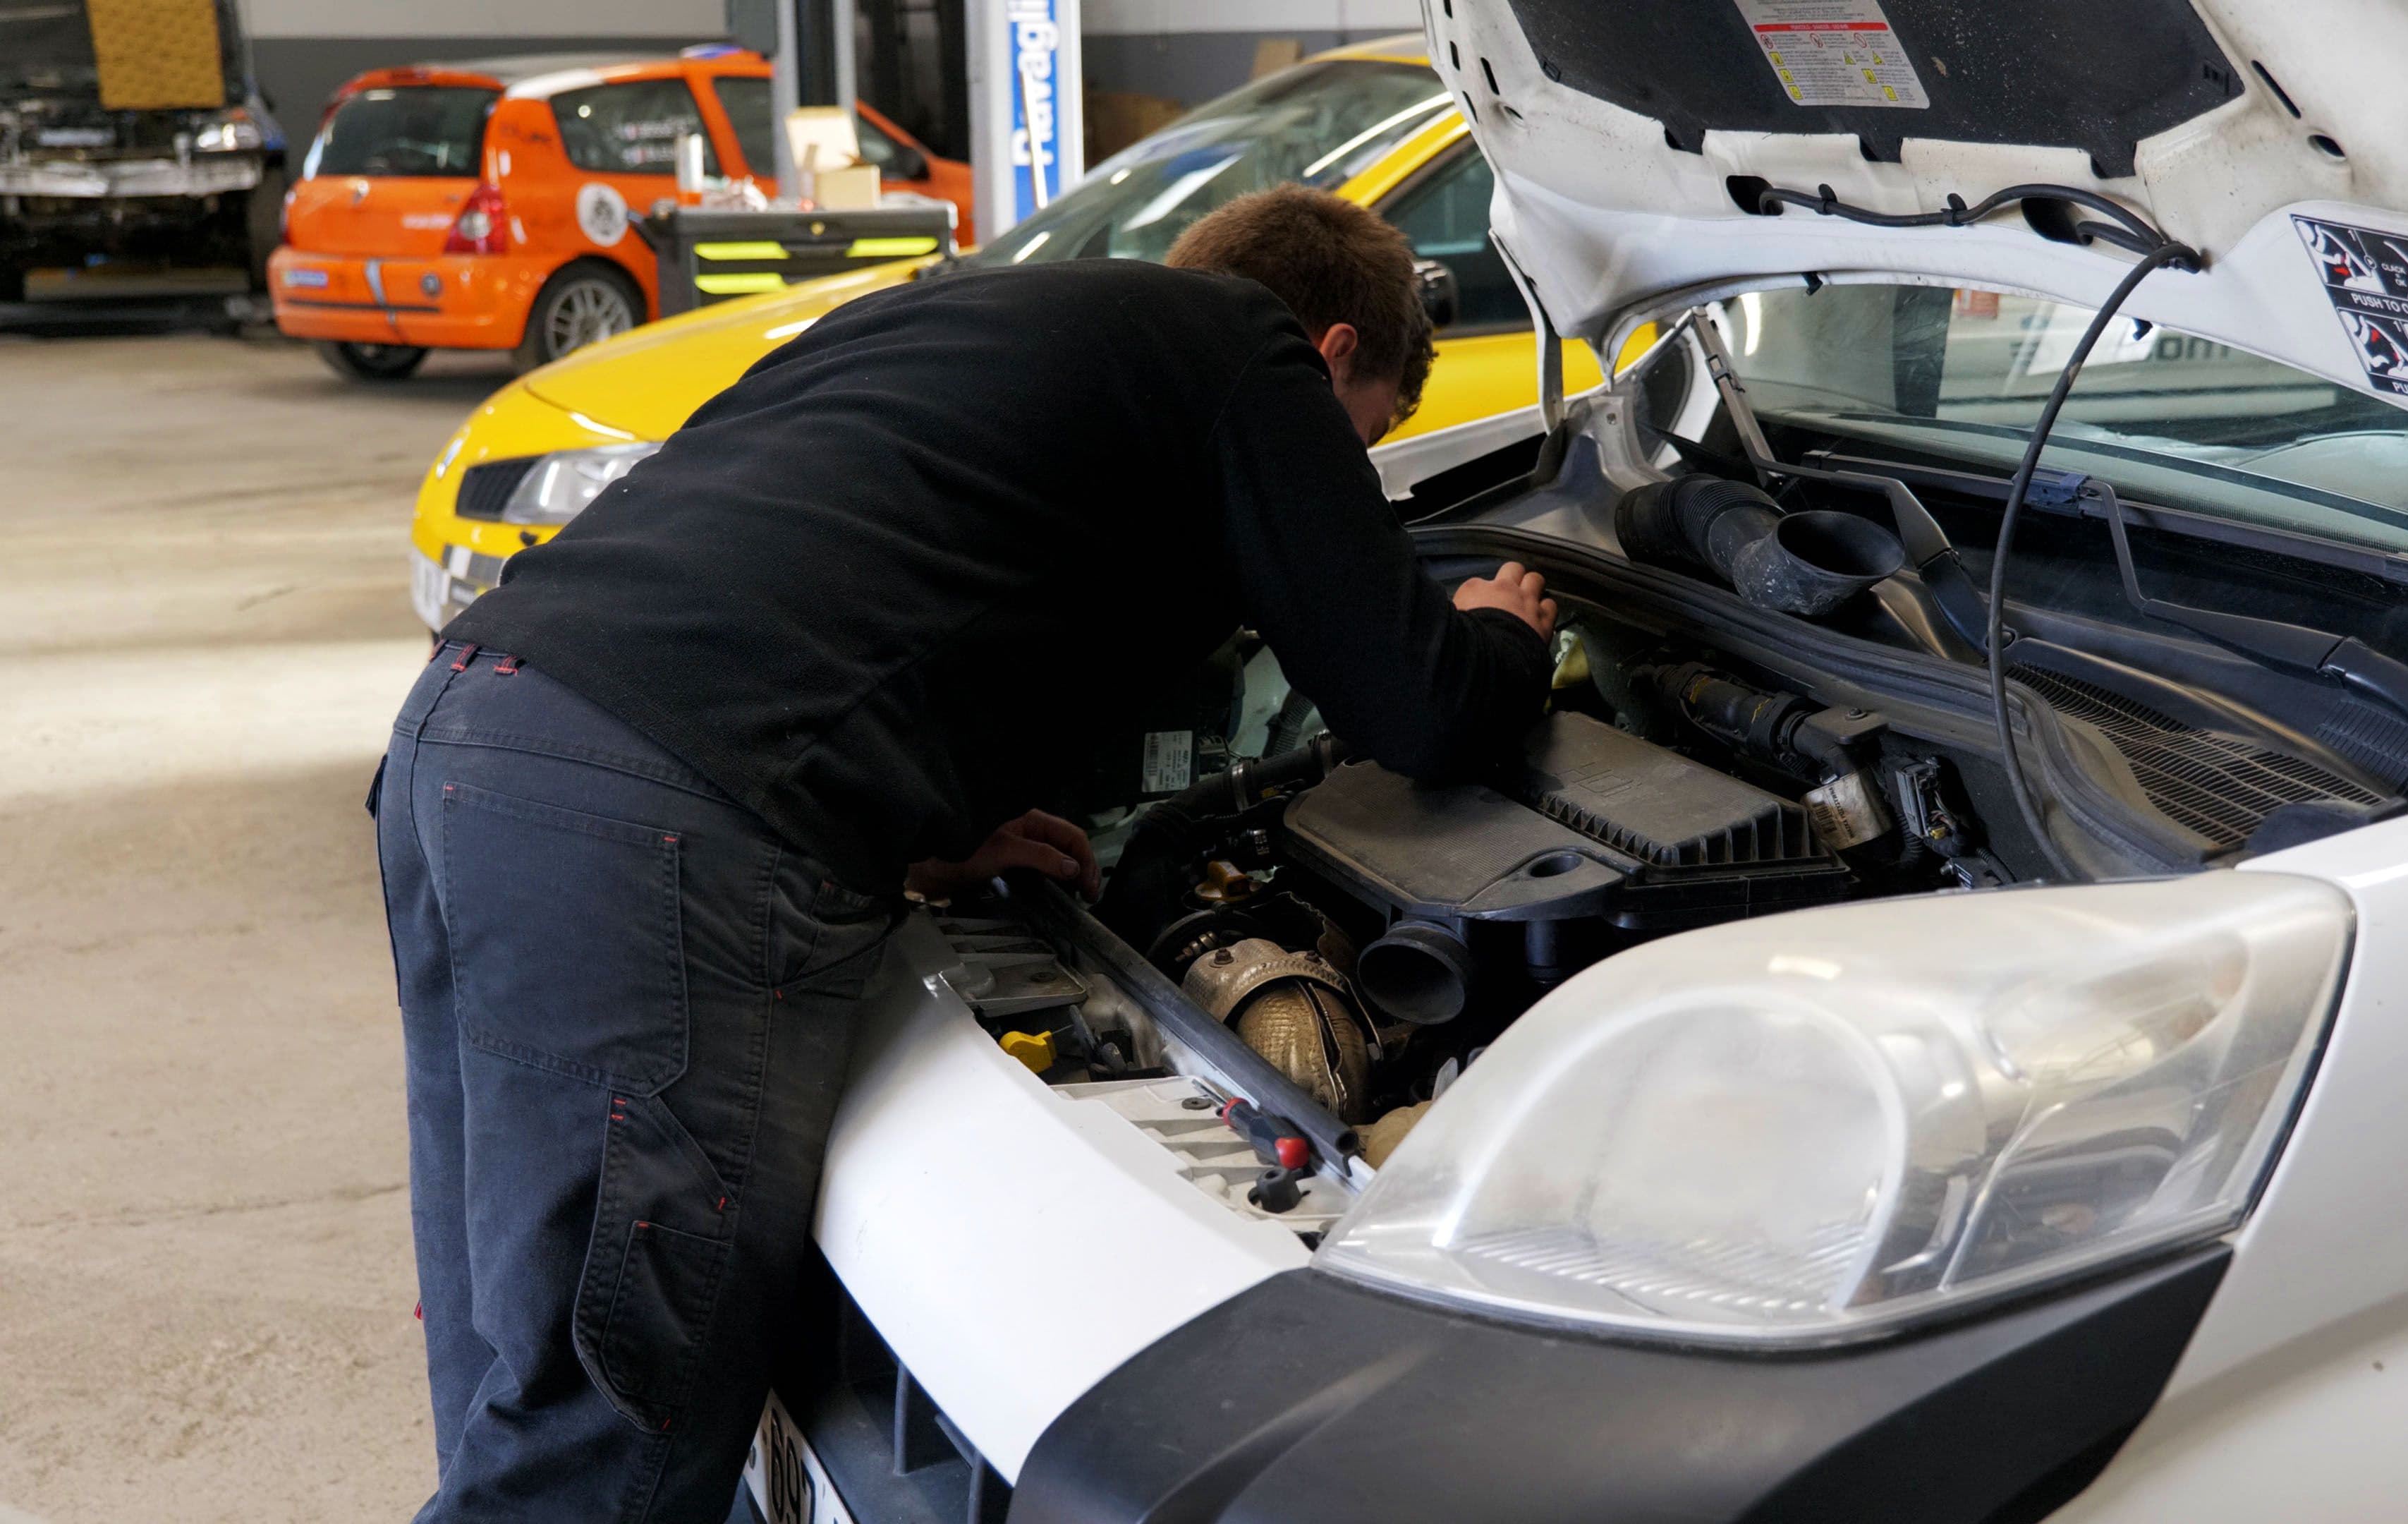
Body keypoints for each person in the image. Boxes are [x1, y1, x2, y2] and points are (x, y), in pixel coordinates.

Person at [370, 184, 1557, 1521]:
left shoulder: (967, 312)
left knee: (519, 1377)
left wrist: (920, 811)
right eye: (1372, 438)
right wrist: (1500, 631)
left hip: (475, 737)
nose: (1354, 469)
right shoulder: (1248, 351)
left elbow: (822, 553)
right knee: (612, 1436)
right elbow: (1420, 707)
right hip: (652, 827)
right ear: (1337, 351)